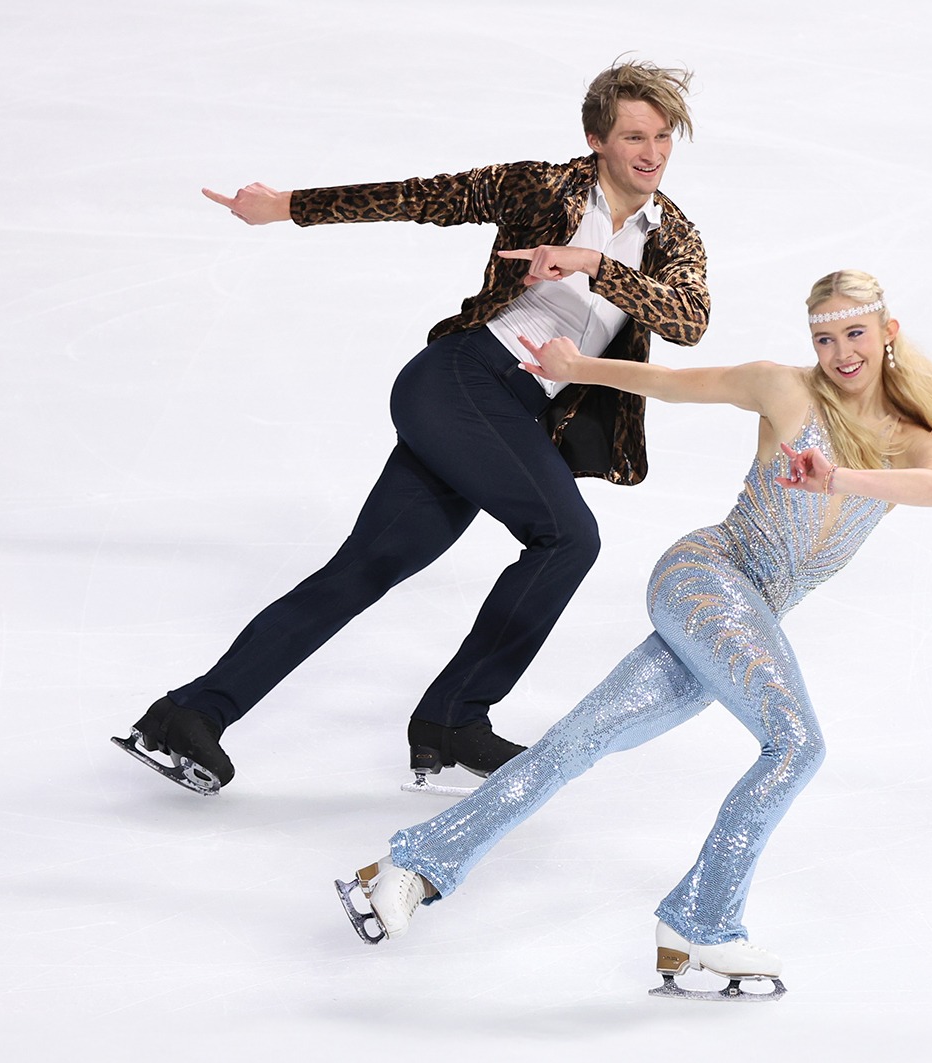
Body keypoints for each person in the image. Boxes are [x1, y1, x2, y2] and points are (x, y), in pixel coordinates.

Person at [334, 270, 932, 1001]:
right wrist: (578, 368)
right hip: (706, 576)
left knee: (577, 742)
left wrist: (837, 479)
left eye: (854, 334)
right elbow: (675, 382)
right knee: (797, 742)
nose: (840, 352)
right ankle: (704, 920)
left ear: (888, 333)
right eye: (824, 337)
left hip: (746, 620)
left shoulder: (909, 444)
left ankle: (409, 865)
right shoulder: (786, 388)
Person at [112, 61, 709, 796]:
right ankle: (455, 718)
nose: (651, 153)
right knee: (569, 537)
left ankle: (190, 713)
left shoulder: (670, 232)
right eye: (633, 136)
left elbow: (690, 320)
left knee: (363, 569)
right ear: (596, 139)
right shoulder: (540, 185)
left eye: (662, 136)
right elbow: (424, 197)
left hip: (513, 414)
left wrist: (592, 265)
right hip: (461, 379)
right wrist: (287, 207)